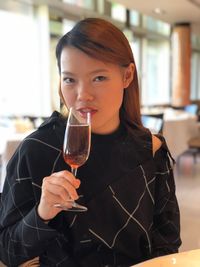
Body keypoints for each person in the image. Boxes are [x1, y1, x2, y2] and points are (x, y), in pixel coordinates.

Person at [0, 18, 181, 267]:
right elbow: (8, 251)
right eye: (70, 80)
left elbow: (167, 244)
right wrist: (42, 214)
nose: (82, 95)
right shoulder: (36, 151)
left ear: (127, 76)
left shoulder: (151, 150)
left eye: (98, 78)